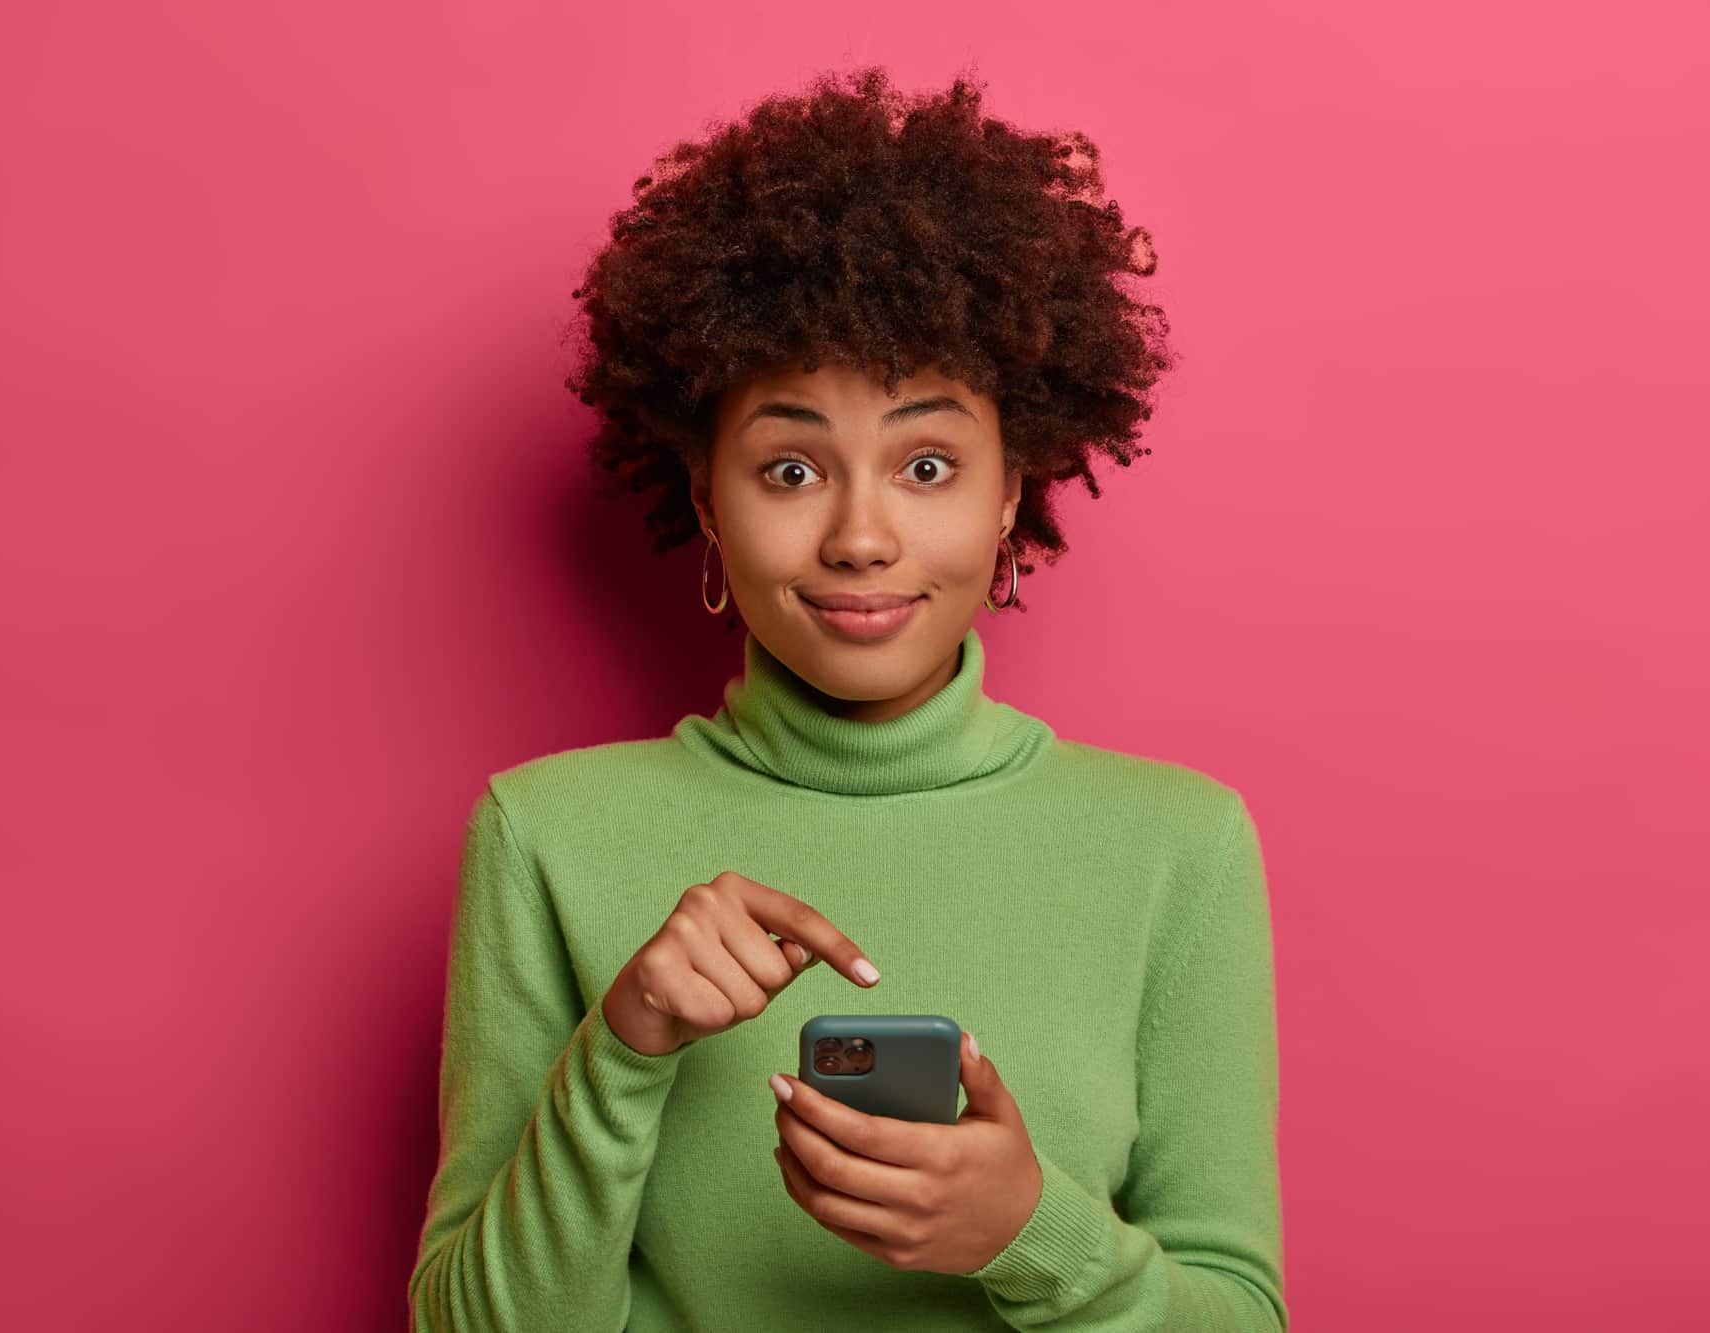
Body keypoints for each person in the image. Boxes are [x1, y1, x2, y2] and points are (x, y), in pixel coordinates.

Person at [409, 64, 1286, 1332]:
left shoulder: (1178, 847)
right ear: (709, 500)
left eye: (926, 463)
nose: (860, 537)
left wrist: (1024, 1232)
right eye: (788, 467)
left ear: (1007, 495)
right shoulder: (542, 834)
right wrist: (626, 1046)